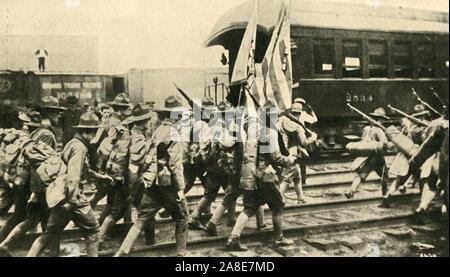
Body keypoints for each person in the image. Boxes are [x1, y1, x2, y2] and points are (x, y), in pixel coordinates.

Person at [26, 112, 112, 257]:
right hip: (72, 198)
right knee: (93, 231)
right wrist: (72, 202)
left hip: (61, 196)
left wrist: (100, 177)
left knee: (48, 234)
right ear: (88, 131)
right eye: (95, 131)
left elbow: (84, 169)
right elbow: (73, 178)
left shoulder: (72, 143)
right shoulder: (80, 148)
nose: (96, 135)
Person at [114, 96, 189, 257]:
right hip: (167, 185)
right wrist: (180, 189)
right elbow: (175, 164)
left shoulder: (158, 130)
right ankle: (182, 254)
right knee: (182, 217)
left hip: (152, 183)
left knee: (141, 218)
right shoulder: (174, 133)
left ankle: (122, 252)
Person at [225, 101, 296, 251]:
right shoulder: (270, 133)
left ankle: (233, 238)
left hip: (254, 176)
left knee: (249, 208)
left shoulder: (257, 132)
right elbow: (275, 157)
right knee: (278, 205)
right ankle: (278, 238)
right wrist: (289, 160)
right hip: (267, 177)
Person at [345, 108, 390, 199]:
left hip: (367, 156)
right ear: (380, 119)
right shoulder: (379, 130)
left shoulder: (366, 128)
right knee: (384, 175)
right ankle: (385, 195)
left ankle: (351, 190)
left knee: (362, 175)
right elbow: (385, 144)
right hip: (377, 157)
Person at [278, 102, 318, 204]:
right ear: (299, 113)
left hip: (283, 151)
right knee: (287, 178)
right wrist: (313, 139)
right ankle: (277, 198)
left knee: (297, 176)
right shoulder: (298, 126)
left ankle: (301, 198)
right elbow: (304, 143)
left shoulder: (282, 120)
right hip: (293, 154)